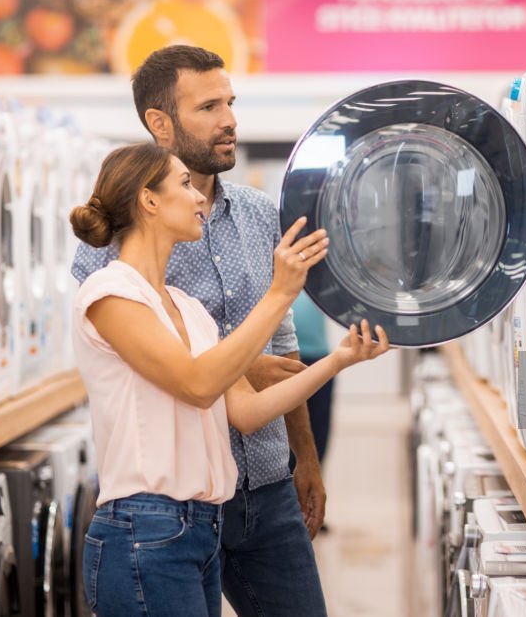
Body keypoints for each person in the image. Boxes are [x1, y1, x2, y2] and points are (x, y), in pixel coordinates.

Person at [70, 143, 389, 617]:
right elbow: (198, 384)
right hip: (142, 531)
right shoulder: (109, 294)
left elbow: (245, 411)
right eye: (183, 184)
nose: (199, 198)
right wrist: (280, 293)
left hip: (200, 530)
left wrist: (338, 361)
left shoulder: (189, 308)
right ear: (149, 200)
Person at [71, 46, 331, 614]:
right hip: (163, 502)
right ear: (159, 123)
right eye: (210, 106)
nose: (230, 119)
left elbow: (281, 349)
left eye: (231, 103)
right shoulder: (114, 252)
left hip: (264, 480)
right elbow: (157, 366)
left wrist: (304, 459)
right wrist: (241, 362)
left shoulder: (261, 214)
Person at [290, 293, 335, 468]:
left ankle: (314, 472)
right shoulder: (267, 271)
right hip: (280, 358)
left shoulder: (319, 275)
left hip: (317, 356)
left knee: (317, 434)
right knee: (286, 431)